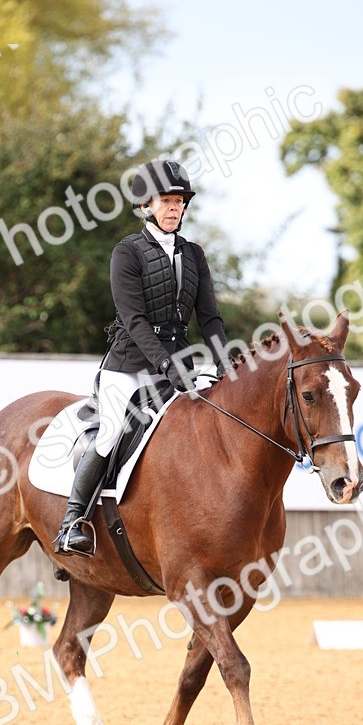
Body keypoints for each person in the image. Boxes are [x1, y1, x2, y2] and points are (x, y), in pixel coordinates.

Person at [54, 157, 229, 555]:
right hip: (130, 365)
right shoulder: (126, 253)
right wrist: (166, 364)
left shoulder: (194, 254)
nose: (174, 207)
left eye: (180, 201)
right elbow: (134, 321)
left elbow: (210, 317)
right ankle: (73, 522)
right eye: (166, 200)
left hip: (178, 365)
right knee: (113, 430)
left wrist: (223, 361)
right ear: (145, 205)